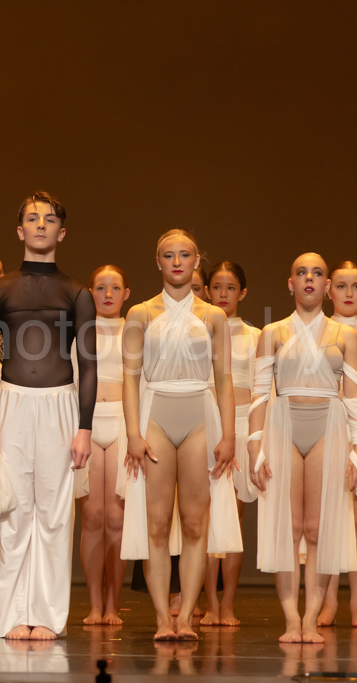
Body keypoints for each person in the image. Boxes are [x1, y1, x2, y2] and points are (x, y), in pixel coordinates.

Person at [0, 191, 96, 641]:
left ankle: (46, 615)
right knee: (12, 510)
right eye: (32, 218)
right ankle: (9, 615)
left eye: (49, 219)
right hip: (11, 402)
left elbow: (89, 365)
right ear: (19, 230)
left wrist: (84, 428)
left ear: (61, 233)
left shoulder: (76, 292)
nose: (41, 224)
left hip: (60, 404)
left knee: (54, 512)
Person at [121, 229, 240, 641]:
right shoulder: (139, 313)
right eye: (169, 255)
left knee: (193, 522)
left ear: (195, 262)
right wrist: (132, 433)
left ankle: (186, 617)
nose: (176, 261)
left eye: (184, 254)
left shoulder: (213, 316)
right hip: (155, 412)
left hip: (199, 415)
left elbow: (224, 379)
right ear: (158, 261)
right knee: (156, 524)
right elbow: (129, 378)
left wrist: (229, 434)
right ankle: (161, 618)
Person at [250, 253, 357, 643]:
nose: (309, 278)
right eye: (301, 272)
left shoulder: (346, 335)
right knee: (289, 527)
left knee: (317, 529)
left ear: (327, 286)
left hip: (329, 427)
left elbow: (354, 398)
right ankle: (291, 620)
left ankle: (311, 618)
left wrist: (356, 451)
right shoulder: (273, 332)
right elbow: (259, 393)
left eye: (317, 273)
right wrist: (254, 447)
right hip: (283, 426)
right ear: (290, 283)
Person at [201, 262, 260, 627]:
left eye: (231, 287)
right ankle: (209, 602)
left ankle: (228, 603)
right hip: (208, 424)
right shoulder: (199, 330)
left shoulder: (254, 336)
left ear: (243, 292)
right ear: (207, 290)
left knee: (234, 517)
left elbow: (262, 389)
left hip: (240, 425)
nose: (223, 294)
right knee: (208, 518)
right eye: (217, 287)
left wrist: (253, 437)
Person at [76, 265, 130, 626]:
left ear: (126, 293)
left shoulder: (135, 329)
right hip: (88, 422)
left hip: (123, 422)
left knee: (116, 518)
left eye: (115, 288)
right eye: (100, 287)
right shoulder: (79, 330)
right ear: (90, 292)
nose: (108, 294)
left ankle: (113, 603)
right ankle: (95, 604)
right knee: (93, 516)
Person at [319, 260, 357, 627]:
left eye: (356, 286)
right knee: (330, 514)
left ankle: (356, 599)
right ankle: (327, 598)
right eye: (342, 286)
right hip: (332, 428)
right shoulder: (322, 331)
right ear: (329, 289)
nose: (349, 293)